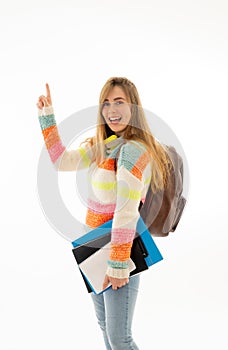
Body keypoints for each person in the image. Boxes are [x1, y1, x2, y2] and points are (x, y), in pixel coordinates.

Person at [37, 77, 170, 349]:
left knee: (120, 338)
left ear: (133, 107)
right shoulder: (107, 145)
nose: (111, 109)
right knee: (106, 330)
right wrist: (47, 119)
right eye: (106, 103)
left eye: (119, 102)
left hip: (117, 251)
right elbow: (62, 161)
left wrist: (119, 264)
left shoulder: (133, 151)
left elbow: (126, 210)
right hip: (94, 246)